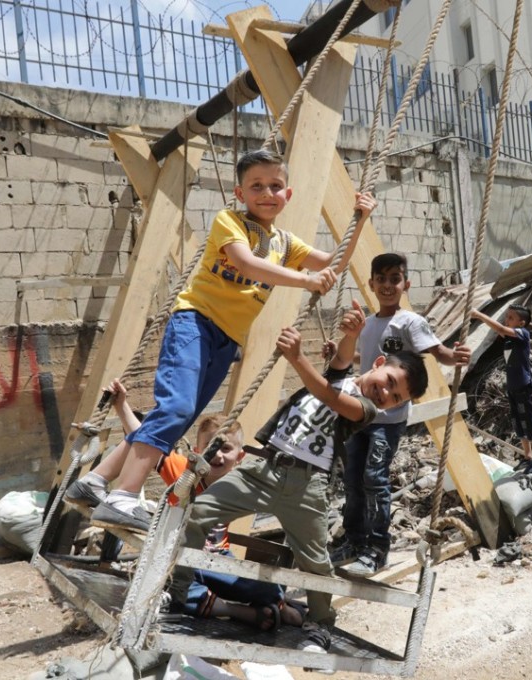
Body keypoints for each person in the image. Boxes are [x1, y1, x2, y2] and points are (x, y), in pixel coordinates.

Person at [68, 148, 377, 531]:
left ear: (288, 194)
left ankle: (95, 481)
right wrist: (304, 281)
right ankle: (123, 496)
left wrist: (359, 219)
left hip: (227, 339)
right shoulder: (228, 221)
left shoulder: (284, 241)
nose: (267, 193)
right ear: (239, 193)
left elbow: (332, 262)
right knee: (176, 408)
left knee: (176, 419)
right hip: (195, 322)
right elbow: (247, 263)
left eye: (275, 186)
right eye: (257, 186)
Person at [167, 324, 428, 655]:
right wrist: (350, 333)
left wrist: (297, 357)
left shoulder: (366, 409)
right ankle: (179, 590)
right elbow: (341, 362)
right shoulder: (341, 377)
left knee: (316, 561)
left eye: (396, 398)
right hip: (262, 469)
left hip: (306, 486)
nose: (385, 394)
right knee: (197, 512)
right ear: (377, 364)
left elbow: (327, 394)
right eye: (389, 382)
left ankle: (320, 624)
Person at [73, 379, 307, 631]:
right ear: (197, 451)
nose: (217, 455)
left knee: (265, 584)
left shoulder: (242, 485)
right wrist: (121, 406)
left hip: (217, 560)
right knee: (171, 587)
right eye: (211, 447)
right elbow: (145, 439)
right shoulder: (185, 473)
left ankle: (275, 605)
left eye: (226, 448)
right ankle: (240, 612)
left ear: (239, 457)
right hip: (181, 557)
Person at [327, 253, 472, 576]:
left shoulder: (410, 322)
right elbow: (360, 366)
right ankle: (353, 540)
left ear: (405, 284)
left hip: (387, 421)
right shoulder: (367, 324)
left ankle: (377, 549)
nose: (388, 285)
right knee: (352, 481)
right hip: (358, 415)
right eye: (382, 279)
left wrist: (455, 356)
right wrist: (335, 355)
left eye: (395, 279)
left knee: (374, 479)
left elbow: (437, 352)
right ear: (372, 284)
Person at [471, 304, 532, 472]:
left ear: (522, 323)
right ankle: (528, 456)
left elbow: (501, 328)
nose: (507, 320)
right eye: (507, 316)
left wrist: (480, 315)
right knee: (517, 421)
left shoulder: (523, 334)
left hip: (523, 386)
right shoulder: (510, 338)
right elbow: (501, 330)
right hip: (512, 386)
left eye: (511, 318)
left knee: (528, 420)